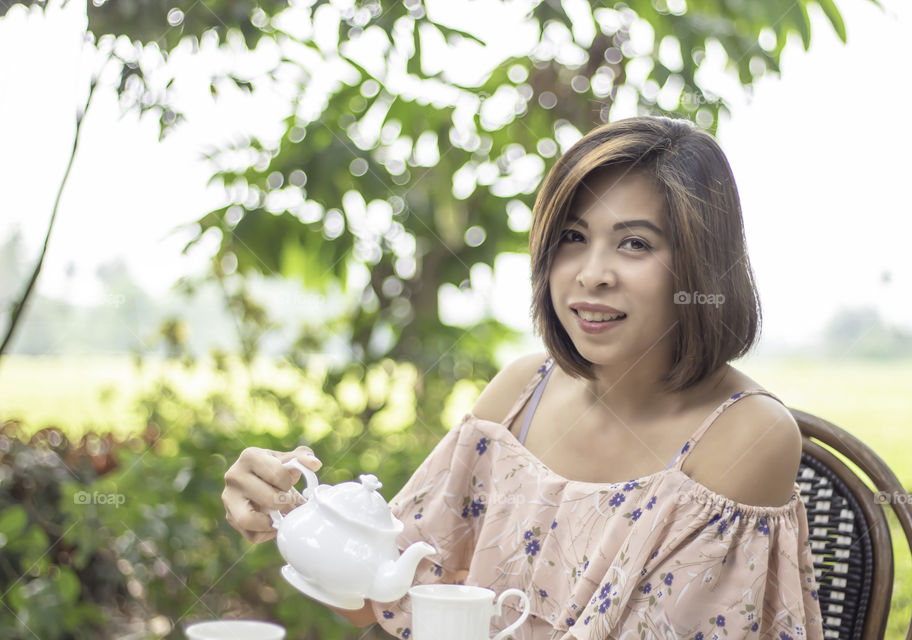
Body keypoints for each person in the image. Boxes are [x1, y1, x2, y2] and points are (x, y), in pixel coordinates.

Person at [222, 115, 823, 639]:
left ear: (701, 265)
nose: (591, 274)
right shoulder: (519, 394)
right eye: (572, 238)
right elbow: (384, 602)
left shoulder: (747, 436)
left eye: (634, 243)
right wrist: (295, 516)